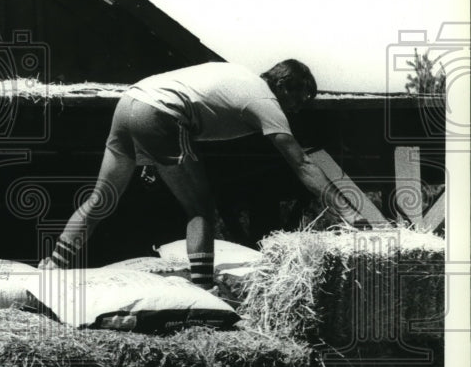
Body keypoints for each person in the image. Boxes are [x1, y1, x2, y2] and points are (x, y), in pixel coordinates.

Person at [37, 60, 366, 290]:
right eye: (299, 98)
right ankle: (204, 287)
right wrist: (350, 212)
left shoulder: (237, 74)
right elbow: (302, 164)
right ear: (282, 84)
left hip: (129, 103)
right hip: (161, 112)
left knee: (101, 199)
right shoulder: (264, 100)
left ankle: (52, 266)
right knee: (201, 208)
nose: (298, 108)